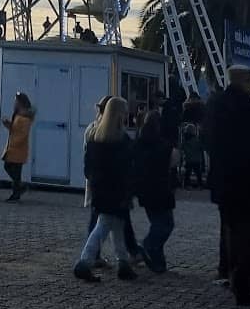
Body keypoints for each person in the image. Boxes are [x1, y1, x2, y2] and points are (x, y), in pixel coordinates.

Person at [204, 64, 250, 308]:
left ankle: (229, 271)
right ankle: (243, 283)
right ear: (244, 81)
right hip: (247, 181)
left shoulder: (215, 105)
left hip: (223, 179)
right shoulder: (247, 108)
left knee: (230, 230)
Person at [73, 96, 137, 283]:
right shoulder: (122, 140)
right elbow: (128, 169)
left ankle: (123, 263)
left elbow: (88, 168)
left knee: (116, 226)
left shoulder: (95, 138)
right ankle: (84, 262)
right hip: (117, 192)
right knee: (103, 227)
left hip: (100, 190)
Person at [134, 107, 177, 272]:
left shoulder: (138, 143)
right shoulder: (162, 145)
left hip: (144, 190)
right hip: (160, 189)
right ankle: (147, 246)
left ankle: (158, 263)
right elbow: (172, 161)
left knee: (157, 223)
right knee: (165, 224)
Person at [1, 91, 34, 202]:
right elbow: (16, 129)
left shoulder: (24, 116)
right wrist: (8, 125)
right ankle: (17, 191)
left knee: (11, 168)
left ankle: (18, 190)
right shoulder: (19, 114)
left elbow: (23, 133)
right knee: (13, 170)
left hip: (18, 147)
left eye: (16, 101)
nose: (14, 103)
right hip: (15, 147)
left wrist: (15, 141)